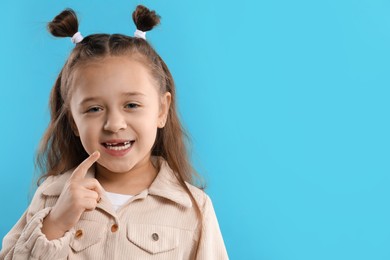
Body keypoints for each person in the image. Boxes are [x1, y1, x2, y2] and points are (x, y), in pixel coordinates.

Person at [0, 5, 228, 259]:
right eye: (94, 109)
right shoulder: (52, 196)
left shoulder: (193, 208)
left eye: (131, 105)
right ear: (74, 122)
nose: (114, 124)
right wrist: (55, 224)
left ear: (162, 110)